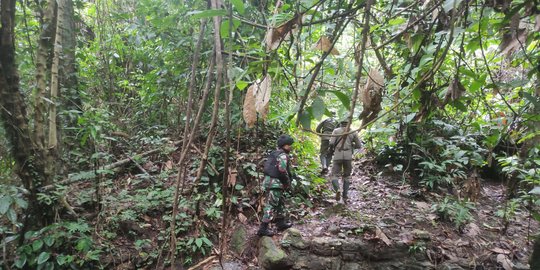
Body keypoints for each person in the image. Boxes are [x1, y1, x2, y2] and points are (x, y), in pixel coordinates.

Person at [257, 134, 295, 237]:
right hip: (275, 183)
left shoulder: (274, 154)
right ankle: (263, 228)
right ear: (284, 145)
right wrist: (287, 181)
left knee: (280, 203)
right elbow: (282, 170)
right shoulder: (282, 155)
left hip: (272, 182)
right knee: (271, 205)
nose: (290, 147)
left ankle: (280, 222)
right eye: (289, 145)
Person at [329, 118, 361, 204]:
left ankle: (337, 189)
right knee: (346, 176)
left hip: (337, 155)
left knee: (334, 175)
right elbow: (359, 145)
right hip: (348, 156)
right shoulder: (353, 132)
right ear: (349, 124)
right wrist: (351, 146)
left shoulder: (336, 131)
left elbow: (331, 143)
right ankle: (345, 196)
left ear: (340, 124)